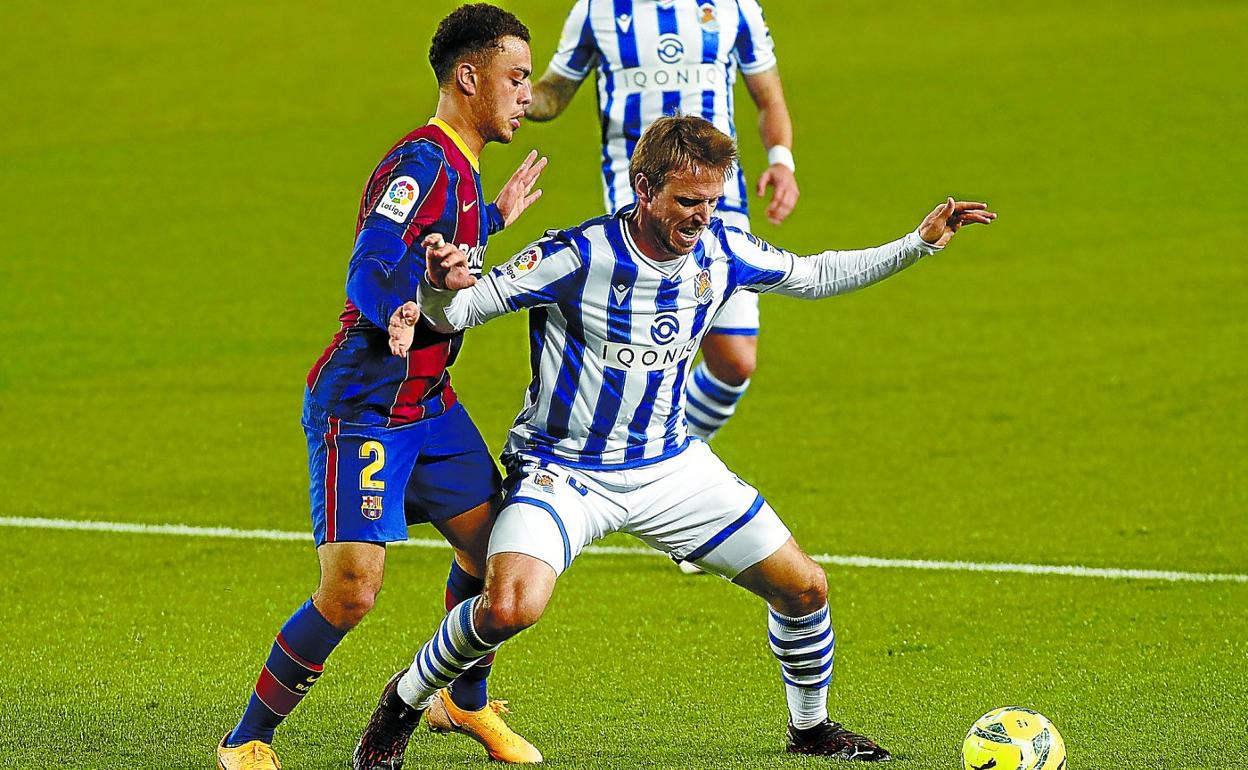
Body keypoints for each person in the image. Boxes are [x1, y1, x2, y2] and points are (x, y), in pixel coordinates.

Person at [355, 115, 994, 765]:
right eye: (688, 201)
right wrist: (437, 288)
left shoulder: (723, 251)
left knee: (805, 588)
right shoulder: (574, 256)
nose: (702, 217)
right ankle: (402, 703)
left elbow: (817, 274)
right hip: (564, 470)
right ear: (642, 188)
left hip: (669, 466)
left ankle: (810, 728)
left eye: (713, 201)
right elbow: (461, 311)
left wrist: (920, 242)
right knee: (510, 607)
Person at [216, 6, 547, 769]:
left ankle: (460, 704)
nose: (526, 94)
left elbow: (441, 249)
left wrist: (493, 218)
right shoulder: (421, 163)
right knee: (352, 594)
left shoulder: (463, 167)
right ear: (470, 77)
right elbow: (370, 259)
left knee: (499, 553)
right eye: (516, 77)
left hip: (430, 404)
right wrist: (392, 307)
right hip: (364, 407)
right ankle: (246, 742)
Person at [525, 0, 800, 442]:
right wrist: (516, 92)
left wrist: (781, 162)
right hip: (641, 217)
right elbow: (554, 93)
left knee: (735, 362)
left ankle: (670, 456)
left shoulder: (735, 8)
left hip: (719, 205)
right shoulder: (597, 11)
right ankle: (629, 467)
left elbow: (768, 97)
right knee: (644, 360)